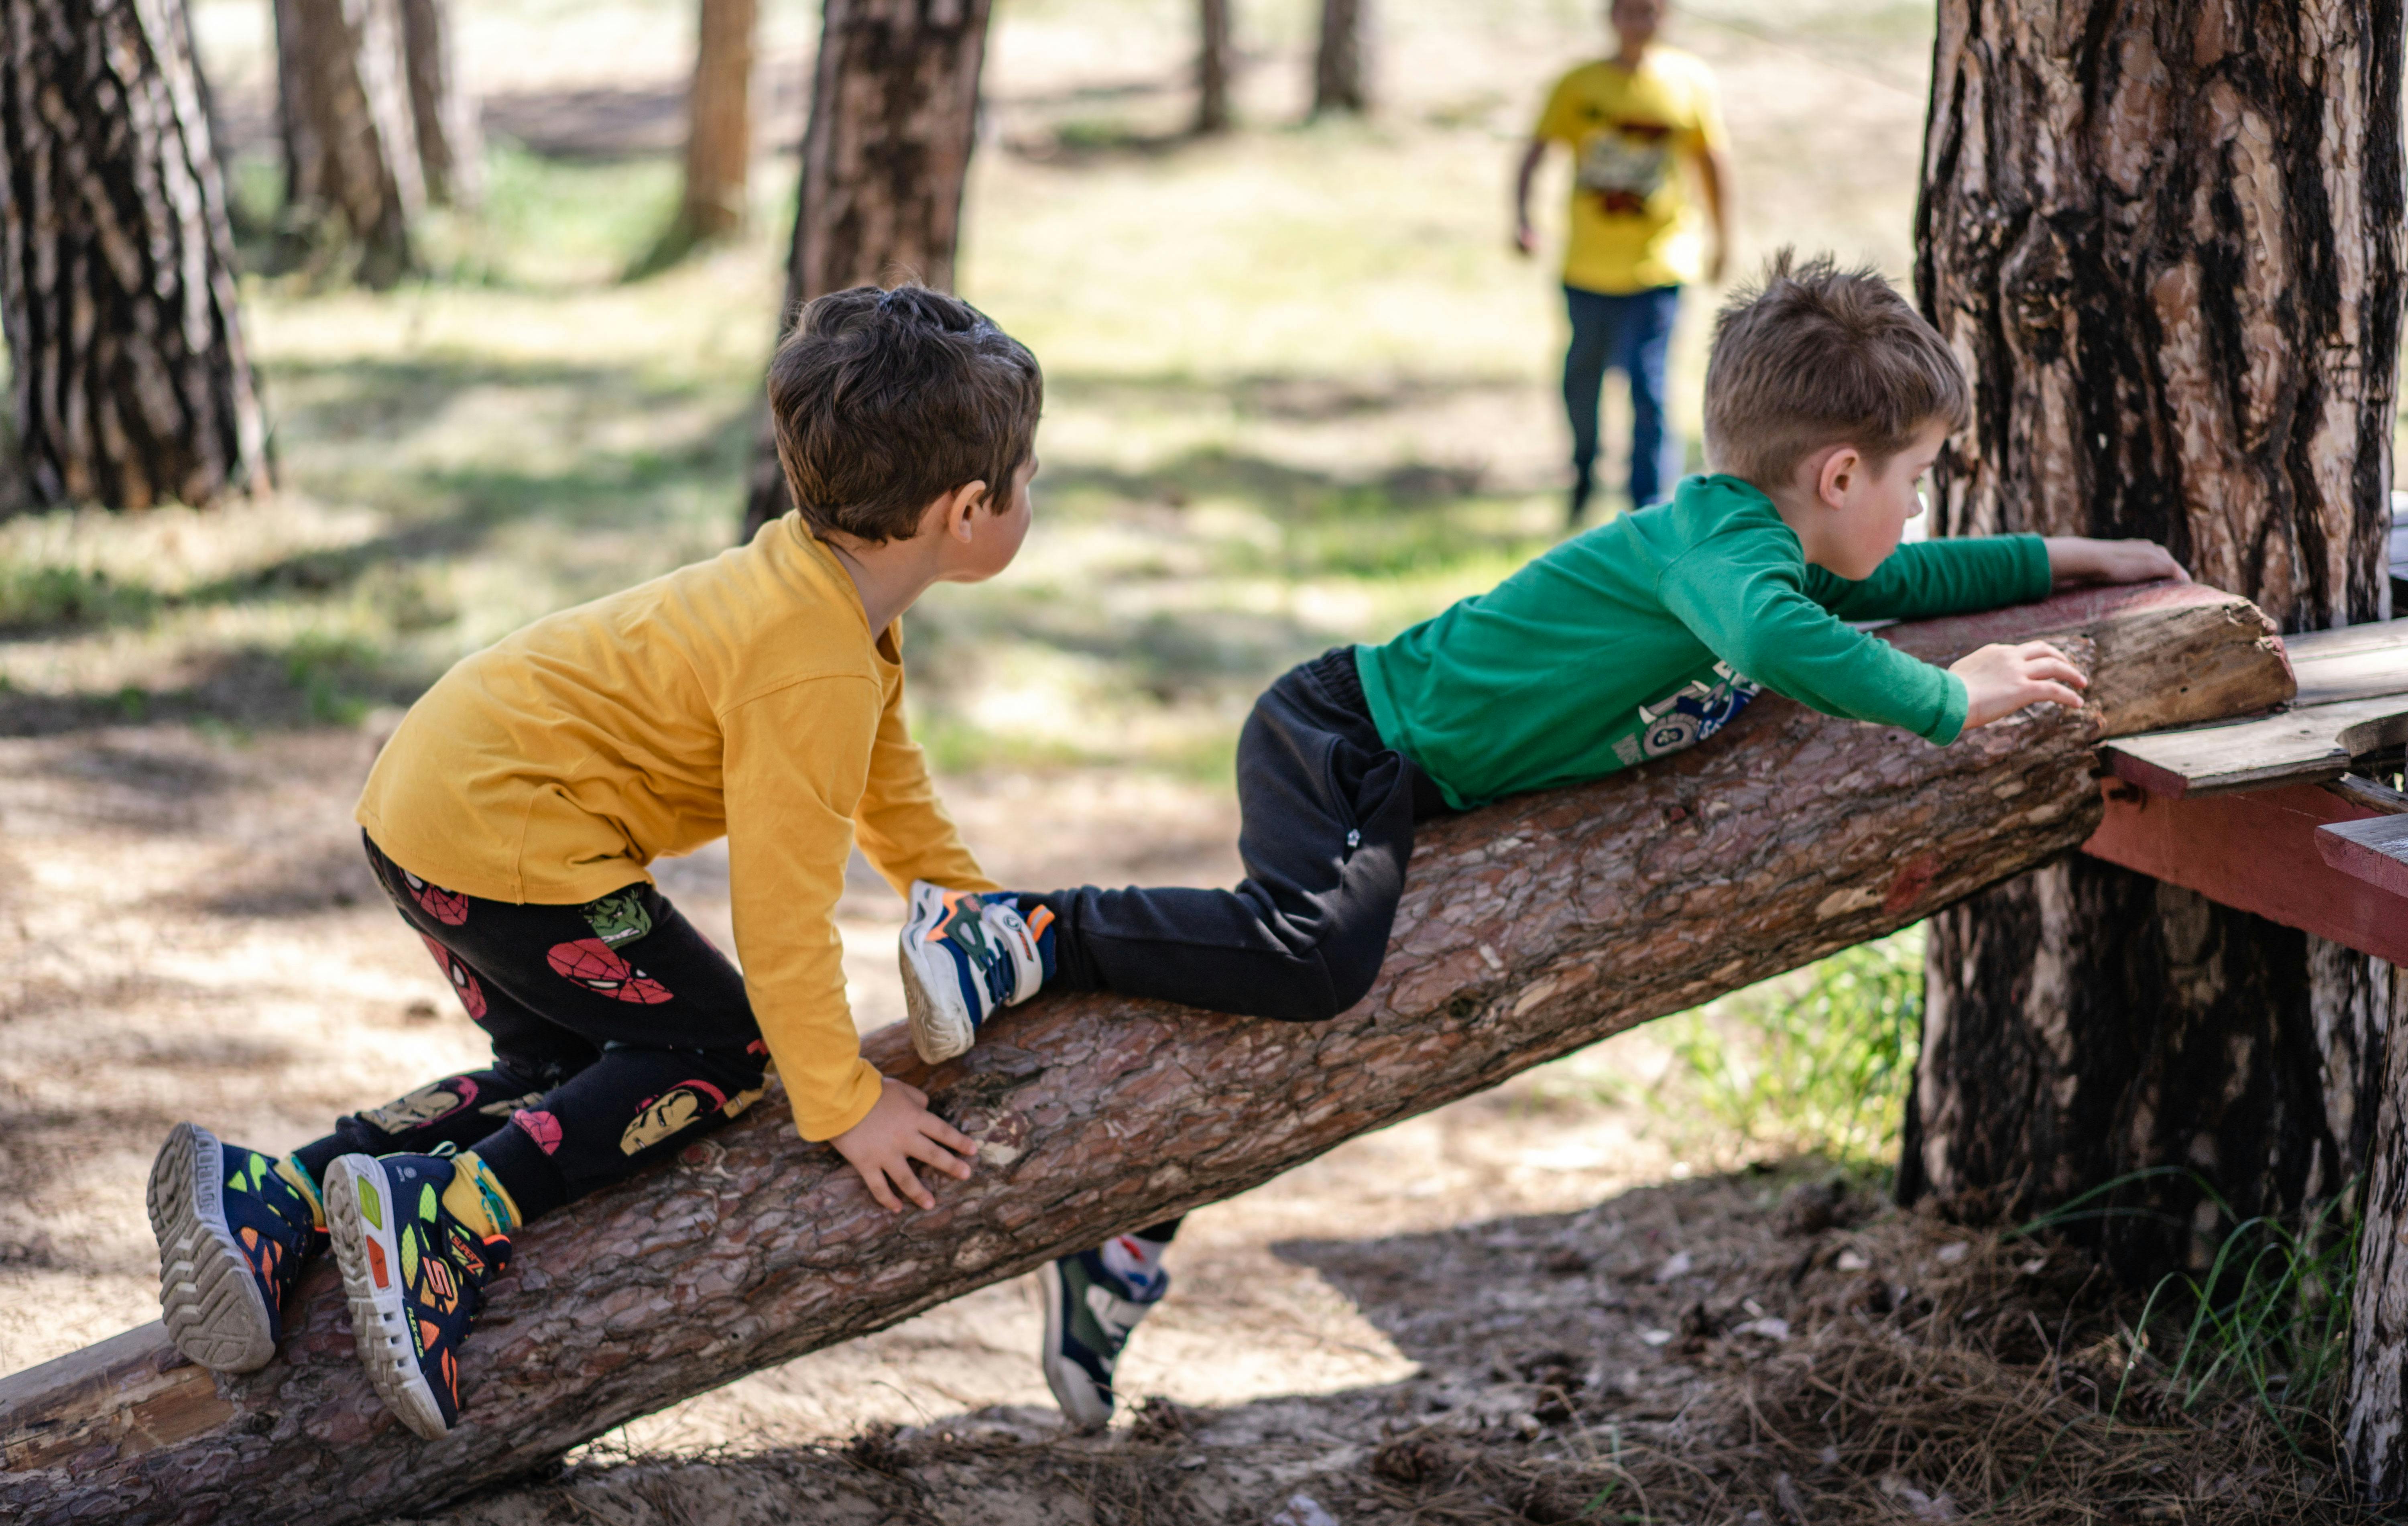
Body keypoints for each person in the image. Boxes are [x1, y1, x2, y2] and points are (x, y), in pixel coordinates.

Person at [899, 252, 2191, 1428]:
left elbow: (1901, 585)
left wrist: (2076, 560)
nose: (1916, 514)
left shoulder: (1770, 540)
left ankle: (1119, 1240)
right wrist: (1953, 701)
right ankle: (1020, 928)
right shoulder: (1724, 551)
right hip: (1347, 738)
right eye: (1915, 483)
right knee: (1312, 964)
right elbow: (1777, 640)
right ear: (1840, 476)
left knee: (1274, 1012)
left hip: (1409, 783)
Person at [144, 285, 1036, 1440]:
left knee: (574, 1068)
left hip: (429, 809)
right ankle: (447, 1217)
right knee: (720, 1051)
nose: (1032, 499)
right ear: (968, 510)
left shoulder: (817, 596)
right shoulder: (810, 659)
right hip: (510, 838)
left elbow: (890, 790)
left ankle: (286, 1195)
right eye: (1029, 480)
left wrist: (984, 910)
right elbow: (783, 915)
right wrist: (845, 1103)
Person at [1515, 0, 1732, 525]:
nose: (1639, 21)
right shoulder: (1577, 85)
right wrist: (1522, 217)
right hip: (1587, 266)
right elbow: (1535, 152)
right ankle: (1584, 472)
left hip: (1658, 266)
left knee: (1648, 385)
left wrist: (1721, 239)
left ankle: (1649, 509)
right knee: (1582, 379)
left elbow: (1712, 164)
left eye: (1650, 10)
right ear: (1610, 16)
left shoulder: (1689, 82)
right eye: (1629, 9)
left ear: (1667, 15)